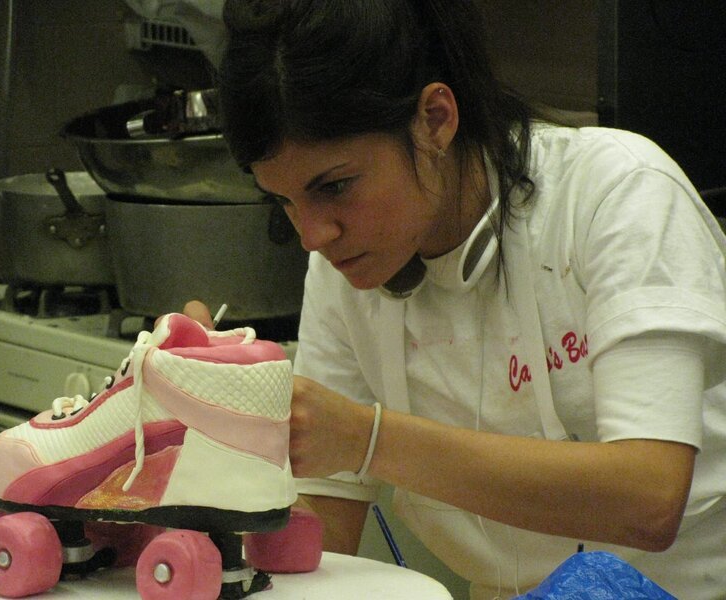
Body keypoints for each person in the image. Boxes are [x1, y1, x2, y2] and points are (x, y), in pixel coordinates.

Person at [185, 1, 726, 597]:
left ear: (435, 119)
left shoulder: (619, 196)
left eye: (335, 186)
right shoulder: (345, 267)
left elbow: (649, 500)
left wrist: (370, 440)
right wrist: (217, 450)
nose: (314, 235)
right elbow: (323, 533)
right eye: (283, 202)